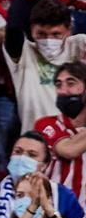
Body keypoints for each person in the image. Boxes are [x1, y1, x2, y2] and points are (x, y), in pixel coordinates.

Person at [4, 0, 86, 133]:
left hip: (77, 142)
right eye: (41, 34)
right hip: (35, 143)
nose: (48, 40)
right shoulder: (24, 52)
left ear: (68, 30)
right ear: (31, 30)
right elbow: (13, 27)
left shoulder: (79, 45)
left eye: (56, 34)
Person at [35, 62, 86, 205]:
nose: (63, 91)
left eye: (71, 84)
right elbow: (69, 150)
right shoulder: (46, 124)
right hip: (56, 213)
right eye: (58, 85)